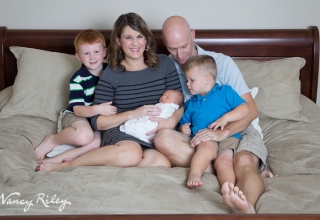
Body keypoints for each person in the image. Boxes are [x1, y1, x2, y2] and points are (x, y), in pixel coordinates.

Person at [153, 15, 274, 214]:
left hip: (237, 129)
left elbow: (250, 109)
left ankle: (246, 209)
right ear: (164, 43)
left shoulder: (221, 63)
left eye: (183, 46)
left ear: (193, 35)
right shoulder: (165, 67)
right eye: (172, 48)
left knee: (243, 162)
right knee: (163, 138)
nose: (180, 54)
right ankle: (222, 170)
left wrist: (224, 132)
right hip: (200, 135)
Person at [36, 12, 182, 172]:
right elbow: (97, 122)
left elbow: (180, 103)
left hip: (151, 133)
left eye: (139, 36)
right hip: (121, 131)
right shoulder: (111, 74)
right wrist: (131, 115)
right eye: (128, 37)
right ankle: (68, 164)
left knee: (161, 162)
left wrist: (171, 122)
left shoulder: (165, 64)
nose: (135, 43)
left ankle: (108, 159)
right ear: (118, 41)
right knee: (130, 154)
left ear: (146, 39)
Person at [34, 29, 117, 165]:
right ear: (78, 57)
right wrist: (98, 109)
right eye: (86, 53)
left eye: (96, 51)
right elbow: (78, 109)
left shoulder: (112, 72)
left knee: (96, 144)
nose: (92, 57)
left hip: (95, 119)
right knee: (84, 137)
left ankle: (59, 161)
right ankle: (53, 140)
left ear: (104, 52)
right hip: (76, 115)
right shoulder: (78, 79)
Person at [179, 54, 249, 192]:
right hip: (204, 137)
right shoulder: (191, 104)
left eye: (191, 80)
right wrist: (183, 129)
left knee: (224, 161)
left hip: (228, 136)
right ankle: (195, 174)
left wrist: (226, 118)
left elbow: (245, 108)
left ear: (207, 79)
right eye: (187, 80)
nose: (187, 84)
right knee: (205, 149)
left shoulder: (225, 91)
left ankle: (228, 188)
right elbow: (183, 122)